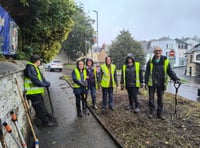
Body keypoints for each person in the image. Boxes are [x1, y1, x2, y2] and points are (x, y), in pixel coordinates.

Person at [145, 46, 180, 120]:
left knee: (160, 100)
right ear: (154, 52)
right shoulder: (150, 61)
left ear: (161, 52)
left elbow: (170, 71)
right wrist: (145, 82)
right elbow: (147, 72)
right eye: (156, 51)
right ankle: (151, 112)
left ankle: (159, 113)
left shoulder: (166, 61)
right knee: (151, 99)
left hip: (161, 83)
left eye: (159, 51)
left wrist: (175, 78)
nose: (158, 52)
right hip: (152, 83)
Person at [24, 54, 56, 127]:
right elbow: (35, 81)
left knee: (42, 106)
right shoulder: (31, 68)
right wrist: (44, 85)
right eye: (39, 60)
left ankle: (48, 117)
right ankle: (45, 122)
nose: (40, 62)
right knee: (39, 108)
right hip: (32, 93)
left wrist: (46, 83)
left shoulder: (35, 67)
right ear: (37, 61)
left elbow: (41, 78)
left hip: (37, 92)